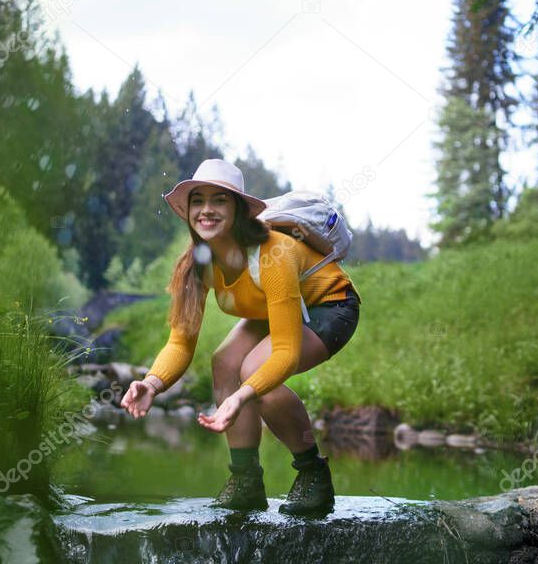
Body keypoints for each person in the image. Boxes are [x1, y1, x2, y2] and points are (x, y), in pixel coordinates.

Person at [119, 158, 362, 515]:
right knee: (225, 363)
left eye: (219, 200)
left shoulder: (272, 253)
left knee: (253, 372)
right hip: (272, 307)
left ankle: (313, 475)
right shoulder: (196, 265)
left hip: (330, 305)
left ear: (239, 209)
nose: (206, 210)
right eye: (197, 201)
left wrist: (243, 395)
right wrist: (151, 385)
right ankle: (246, 481)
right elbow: (179, 342)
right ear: (187, 211)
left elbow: (285, 352)